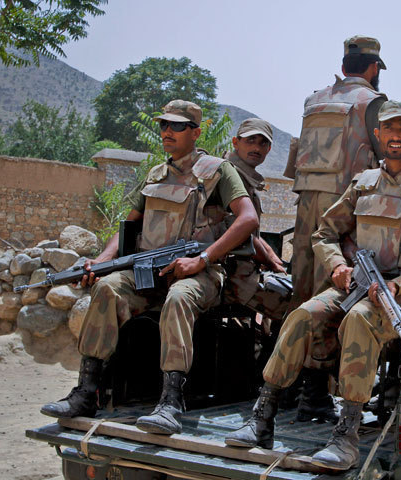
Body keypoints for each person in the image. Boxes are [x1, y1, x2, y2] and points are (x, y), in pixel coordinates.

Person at [226, 101, 401, 471]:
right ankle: (263, 415)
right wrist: (337, 266)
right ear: (379, 134)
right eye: (389, 128)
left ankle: (346, 434)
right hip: (356, 284)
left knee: (362, 319)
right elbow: (325, 232)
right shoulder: (363, 183)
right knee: (303, 315)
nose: (395, 135)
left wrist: (399, 284)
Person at [40, 100, 259, 436]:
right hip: (150, 269)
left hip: (198, 273)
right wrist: (100, 261)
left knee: (179, 298)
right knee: (107, 287)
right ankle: (86, 390)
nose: (167, 132)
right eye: (163, 126)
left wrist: (202, 259)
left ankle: (170, 401)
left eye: (177, 126)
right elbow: (127, 227)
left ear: (196, 132)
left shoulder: (217, 171)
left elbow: (248, 219)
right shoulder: (156, 174)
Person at [282, 34, 389, 423]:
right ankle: (316, 394)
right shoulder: (374, 103)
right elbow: (387, 162)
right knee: (335, 297)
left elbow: (294, 164)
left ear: (344, 64)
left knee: (301, 292)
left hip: (305, 207)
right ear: (373, 67)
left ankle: (290, 385)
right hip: (344, 212)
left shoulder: (314, 101)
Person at [222, 118, 291, 323]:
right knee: (298, 309)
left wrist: (274, 260)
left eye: (263, 143)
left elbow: (253, 236)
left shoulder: (245, 177)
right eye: (250, 140)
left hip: (242, 270)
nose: (256, 148)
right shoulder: (227, 176)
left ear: (269, 149)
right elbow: (240, 233)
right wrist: (271, 262)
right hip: (230, 273)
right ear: (235, 142)